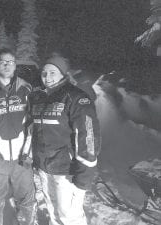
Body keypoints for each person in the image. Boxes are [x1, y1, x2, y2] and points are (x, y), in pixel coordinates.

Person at [28, 56, 101, 225]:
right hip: (45, 168)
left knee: (69, 217)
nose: (47, 76)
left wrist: (85, 172)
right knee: (52, 210)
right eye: (44, 73)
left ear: (63, 74)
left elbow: (88, 136)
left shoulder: (76, 97)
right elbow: (36, 132)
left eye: (53, 72)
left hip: (67, 171)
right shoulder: (38, 97)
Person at [0, 48, 36, 225]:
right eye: (3, 62)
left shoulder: (26, 88)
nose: (6, 65)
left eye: (10, 62)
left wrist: (30, 150)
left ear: (15, 66)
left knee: (27, 200)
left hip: (22, 158)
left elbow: (33, 121)